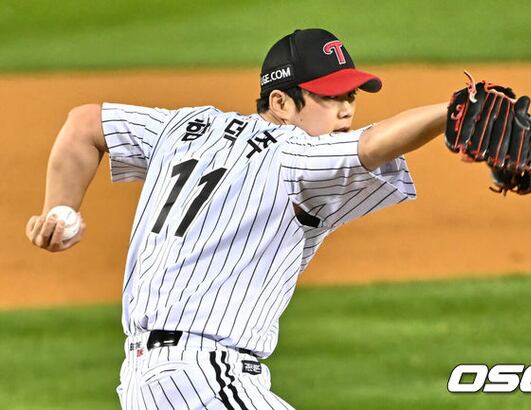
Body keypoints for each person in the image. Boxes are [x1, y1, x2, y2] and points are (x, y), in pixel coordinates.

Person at [26, 28, 448, 409]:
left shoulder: (185, 127)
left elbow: (85, 123)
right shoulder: (294, 152)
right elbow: (371, 144)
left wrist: (59, 210)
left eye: (350, 97)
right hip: (201, 380)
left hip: (159, 381)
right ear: (281, 103)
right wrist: (452, 111)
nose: (345, 112)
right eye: (329, 97)